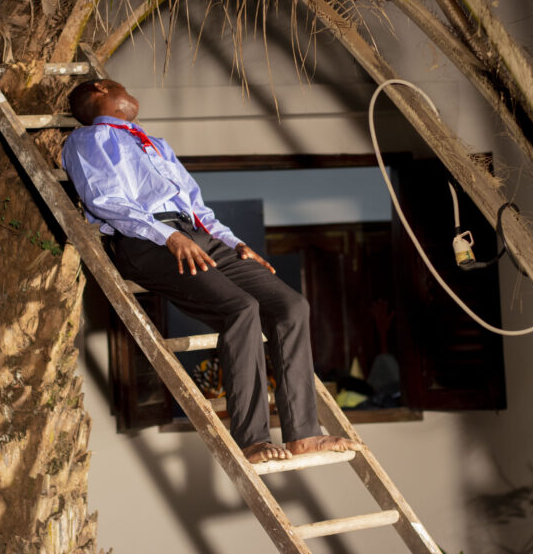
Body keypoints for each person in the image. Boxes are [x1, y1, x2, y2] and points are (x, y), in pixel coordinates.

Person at [62, 79, 359, 463]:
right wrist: (168, 237)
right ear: (101, 89)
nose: (134, 93)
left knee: (291, 307)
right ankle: (251, 440)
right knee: (240, 308)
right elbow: (107, 202)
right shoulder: (90, 140)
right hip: (145, 242)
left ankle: (302, 434)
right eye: (123, 87)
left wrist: (234, 242)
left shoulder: (155, 144)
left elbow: (197, 206)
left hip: (197, 235)